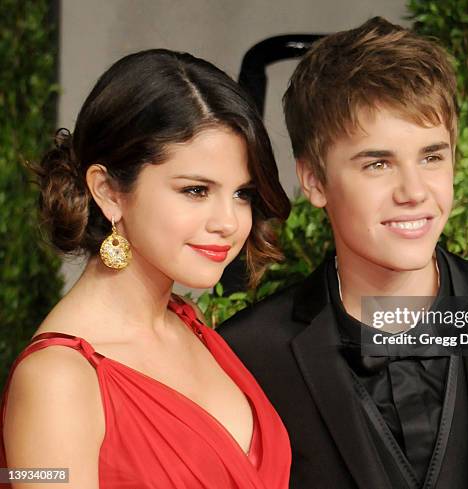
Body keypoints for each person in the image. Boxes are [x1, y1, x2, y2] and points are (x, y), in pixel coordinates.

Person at [218, 17, 468, 489]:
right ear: (314, 181)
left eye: (431, 156)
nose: (414, 191)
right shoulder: (249, 355)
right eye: (378, 163)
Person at [0, 49, 292, 488]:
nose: (229, 222)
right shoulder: (54, 382)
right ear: (109, 191)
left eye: (242, 194)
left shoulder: (194, 329)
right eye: (196, 190)